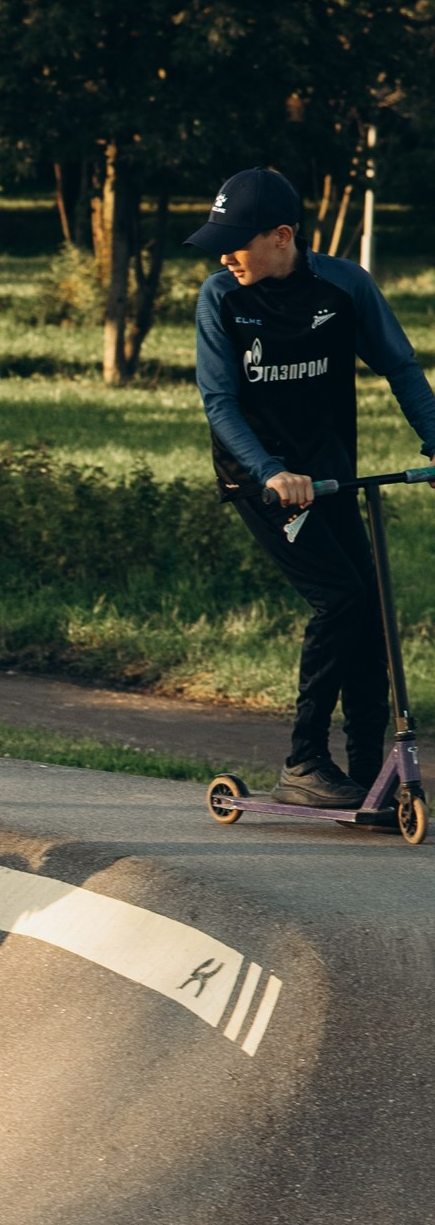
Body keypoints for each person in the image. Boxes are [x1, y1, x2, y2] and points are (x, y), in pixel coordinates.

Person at [191, 163, 435, 807]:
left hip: (330, 479)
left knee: (369, 615)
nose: (224, 255)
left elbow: (400, 367)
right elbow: (220, 403)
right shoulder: (222, 297)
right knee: (340, 599)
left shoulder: (345, 286)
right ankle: (304, 761)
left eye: (236, 241)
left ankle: (369, 776)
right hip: (261, 482)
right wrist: (271, 471)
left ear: (282, 236)